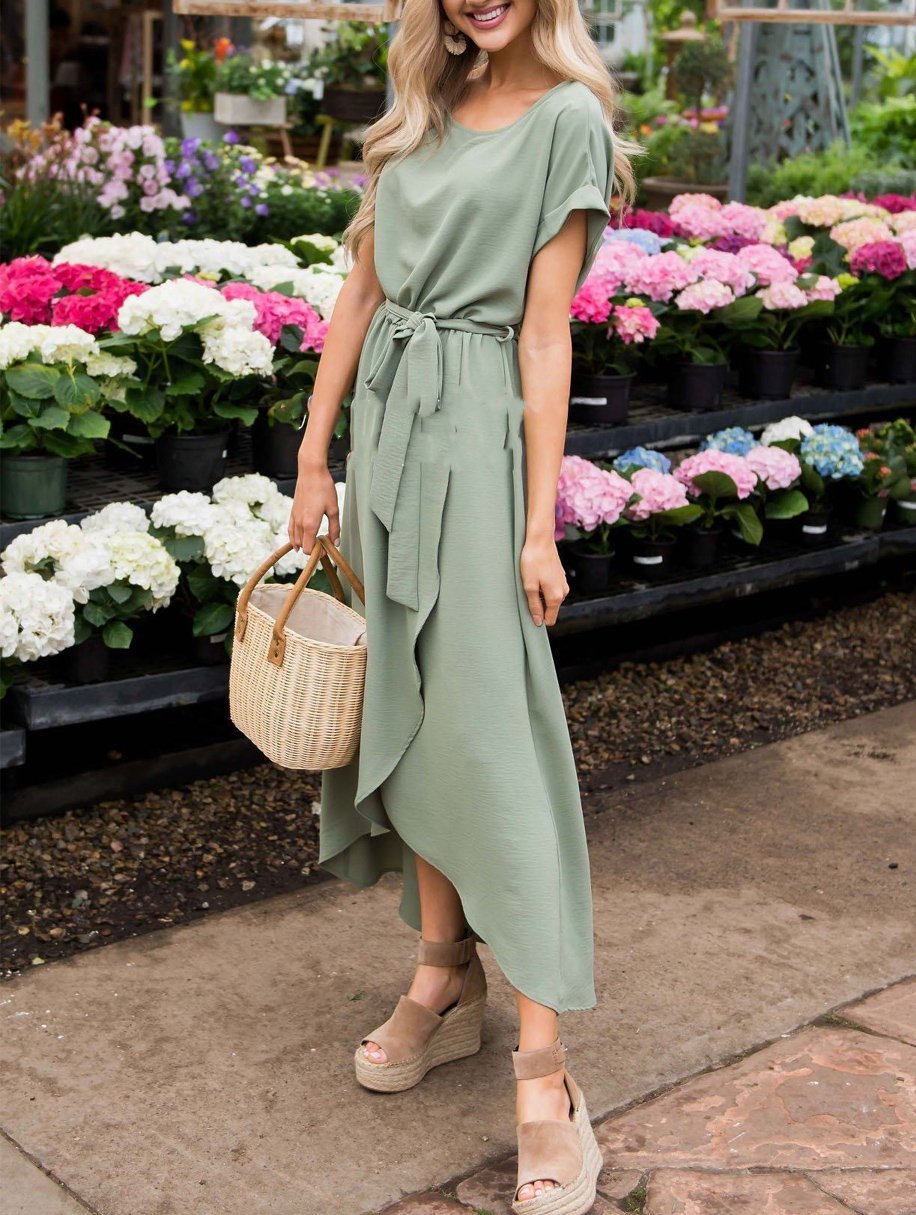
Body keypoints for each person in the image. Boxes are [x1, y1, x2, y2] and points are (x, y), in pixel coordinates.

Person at [287, 1, 635, 1210]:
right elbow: (360, 295)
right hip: (384, 438)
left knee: (495, 740)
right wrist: (315, 458)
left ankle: (547, 1077)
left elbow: (547, 340)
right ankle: (444, 972)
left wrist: (537, 524)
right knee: (417, 712)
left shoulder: (568, 124)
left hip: (479, 447)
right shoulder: (415, 117)